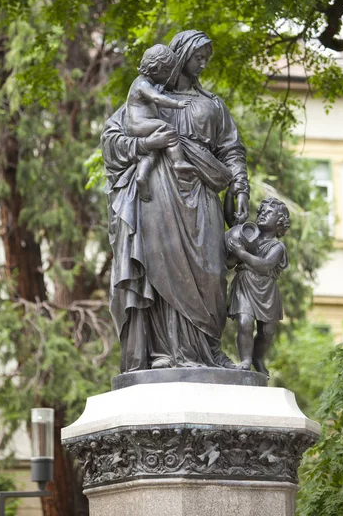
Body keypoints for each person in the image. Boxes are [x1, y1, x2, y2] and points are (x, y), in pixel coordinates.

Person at [101, 30, 250, 372]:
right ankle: (164, 352)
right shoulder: (146, 97)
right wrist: (145, 145)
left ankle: (209, 350)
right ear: (180, 56)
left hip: (202, 193)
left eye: (207, 58)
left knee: (211, 271)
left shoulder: (213, 105)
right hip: (158, 191)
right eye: (199, 56)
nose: (204, 63)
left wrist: (240, 185)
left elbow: (231, 149)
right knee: (159, 265)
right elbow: (112, 142)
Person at [226, 198, 290, 375]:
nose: (262, 215)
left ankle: (257, 357)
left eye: (268, 213)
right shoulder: (247, 237)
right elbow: (230, 263)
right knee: (245, 322)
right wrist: (234, 250)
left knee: (267, 332)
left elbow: (264, 265)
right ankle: (245, 360)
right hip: (245, 284)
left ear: (279, 222)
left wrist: (241, 252)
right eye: (261, 211)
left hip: (267, 291)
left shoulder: (278, 247)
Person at [126, 44, 195, 202]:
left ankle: (142, 176)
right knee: (168, 129)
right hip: (140, 124)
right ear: (156, 69)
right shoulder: (143, 84)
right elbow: (157, 98)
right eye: (167, 71)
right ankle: (178, 162)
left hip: (138, 126)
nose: (169, 75)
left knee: (152, 152)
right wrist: (176, 104)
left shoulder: (141, 83)